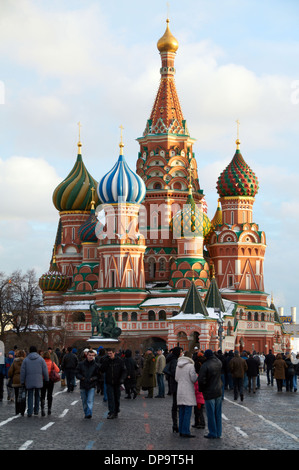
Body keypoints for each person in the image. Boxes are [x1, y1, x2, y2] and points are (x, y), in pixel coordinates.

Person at [198, 349, 223, 439]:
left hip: (209, 391)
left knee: (211, 413)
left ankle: (212, 432)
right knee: (218, 413)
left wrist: (202, 389)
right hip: (218, 390)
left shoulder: (205, 365)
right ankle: (218, 432)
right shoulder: (218, 362)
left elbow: (201, 380)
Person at [20, 345, 49, 417]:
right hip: (38, 380)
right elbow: (45, 370)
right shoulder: (41, 359)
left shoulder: (26, 360)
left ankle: (30, 411)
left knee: (29, 395)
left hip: (29, 380)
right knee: (37, 395)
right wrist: (46, 379)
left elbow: (23, 372)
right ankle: (36, 410)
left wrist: (22, 381)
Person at [175, 351, 197, 438]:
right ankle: (185, 431)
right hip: (188, 390)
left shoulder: (178, 365)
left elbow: (176, 378)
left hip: (180, 390)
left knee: (181, 411)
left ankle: (181, 430)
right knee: (187, 411)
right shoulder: (191, 366)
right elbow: (193, 378)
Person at [99, 348, 127, 419]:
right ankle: (111, 412)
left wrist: (122, 379)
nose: (109, 355)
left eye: (110, 353)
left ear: (114, 353)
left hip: (117, 382)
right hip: (109, 382)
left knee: (117, 397)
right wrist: (105, 362)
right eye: (108, 354)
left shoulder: (119, 361)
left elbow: (124, 370)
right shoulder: (106, 361)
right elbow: (102, 370)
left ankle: (116, 411)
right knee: (110, 398)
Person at [76, 349, 101, 418]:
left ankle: (88, 413)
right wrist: (82, 378)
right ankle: (86, 412)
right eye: (90, 355)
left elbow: (98, 375)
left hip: (91, 385)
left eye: (92, 356)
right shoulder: (81, 364)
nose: (91, 357)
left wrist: (93, 379)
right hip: (83, 384)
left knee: (90, 400)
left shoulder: (96, 365)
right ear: (87, 355)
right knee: (84, 401)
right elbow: (77, 373)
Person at [164, 347, 183, 433]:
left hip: (173, 385)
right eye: (181, 352)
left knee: (175, 405)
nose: (181, 353)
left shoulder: (171, 359)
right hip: (176, 385)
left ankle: (175, 424)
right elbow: (176, 374)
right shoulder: (175, 361)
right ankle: (176, 424)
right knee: (176, 406)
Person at [40, 351, 60, 416]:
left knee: (42, 394)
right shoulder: (52, 363)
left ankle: (42, 409)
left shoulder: (41, 363)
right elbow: (57, 370)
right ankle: (49, 409)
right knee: (50, 394)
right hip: (50, 380)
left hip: (43, 380)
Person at [7, 349, 26, 415]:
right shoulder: (26, 361)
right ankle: (22, 411)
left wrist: (11, 376)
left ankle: (17, 410)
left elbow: (10, 372)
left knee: (17, 395)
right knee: (23, 396)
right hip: (24, 380)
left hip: (16, 380)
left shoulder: (14, 362)